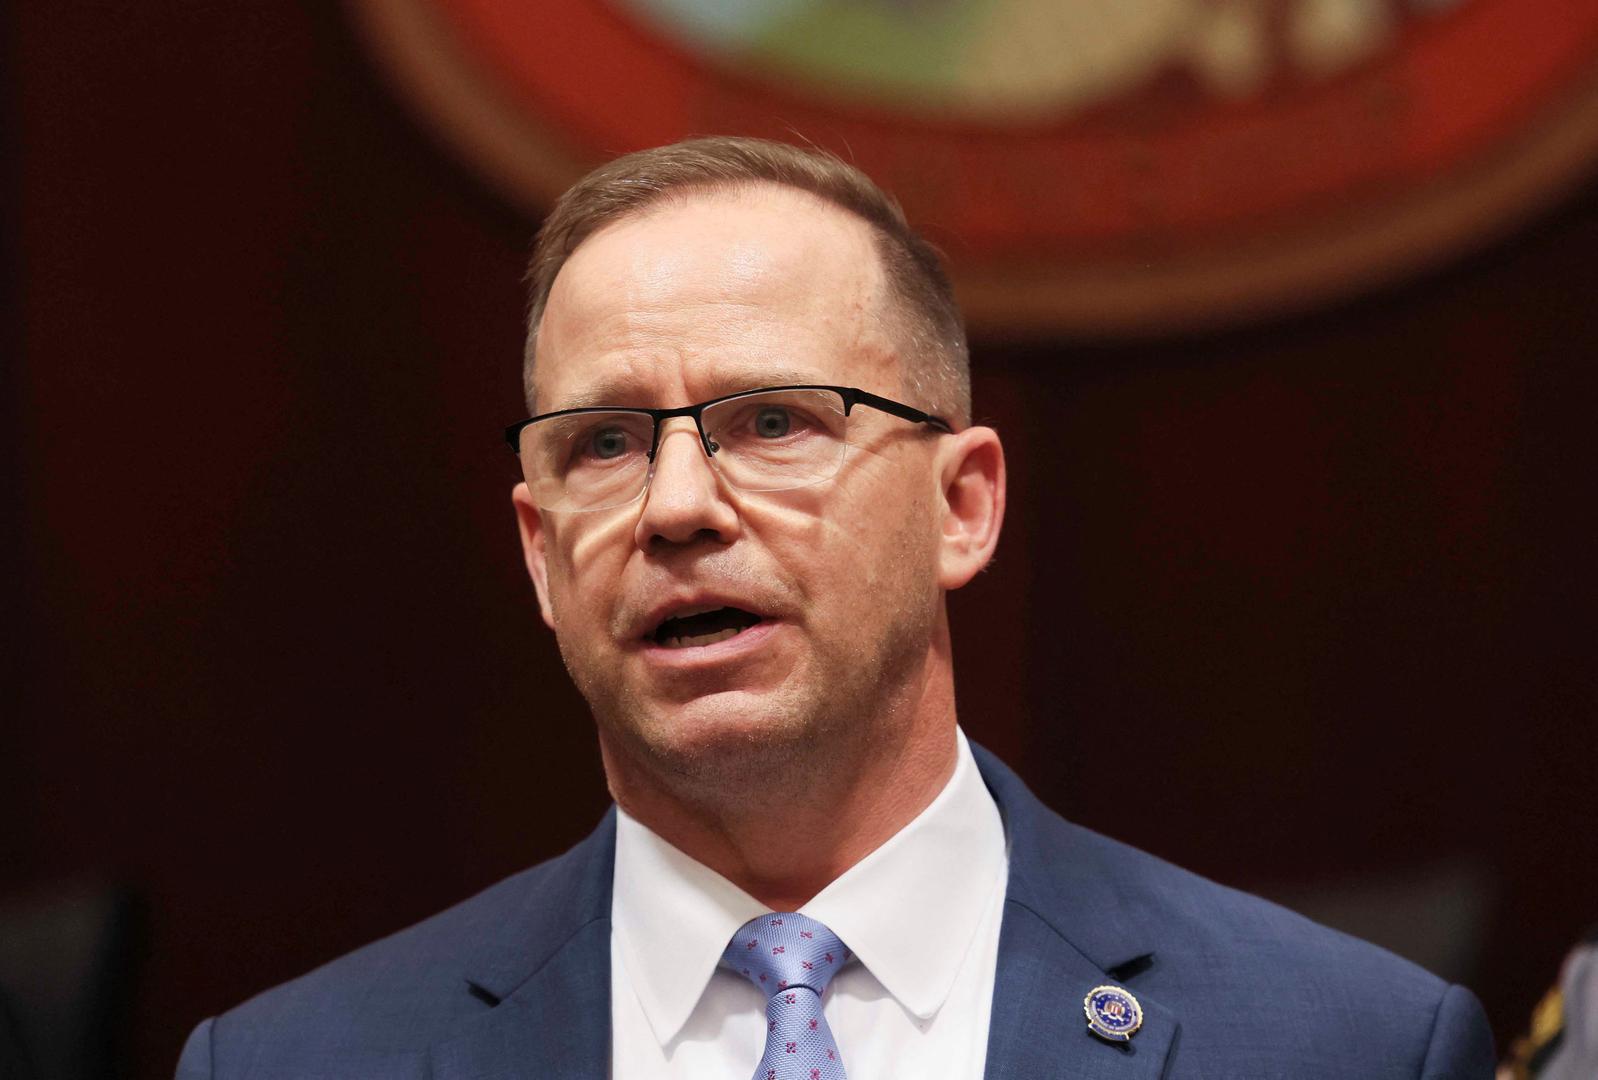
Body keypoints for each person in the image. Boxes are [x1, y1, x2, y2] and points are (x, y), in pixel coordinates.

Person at [177, 137, 1495, 1079]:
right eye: (603, 445)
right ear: (538, 554)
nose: (676, 505)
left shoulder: (1342, 1044)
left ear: (961, 506)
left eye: (772, 422)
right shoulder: (298, 1058)